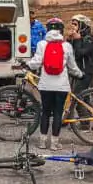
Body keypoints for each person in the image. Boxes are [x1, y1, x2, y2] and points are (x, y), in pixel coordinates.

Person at [28, 18, 82, 150]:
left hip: (45, 85)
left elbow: (35, 62)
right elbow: (72, 66)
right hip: (61, 86)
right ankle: (54, 143)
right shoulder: (66, 46)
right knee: (58, 113)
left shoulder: (42, 44)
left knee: (45, 112)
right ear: (61, 30)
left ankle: (42, 142)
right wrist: (80, 74)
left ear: (47, 29)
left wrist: (27, 65)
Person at [68, 14, 93, 93]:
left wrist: (77, 40)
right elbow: (68, 52)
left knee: (78, 95)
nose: (72, 26)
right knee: (82, 97)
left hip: (86, 72)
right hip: (76, 71)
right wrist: (69, 40)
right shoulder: (75, 37)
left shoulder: (89, 38)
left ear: (82, 25)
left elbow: (80, 54)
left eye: (75, 24)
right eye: (72, 24)